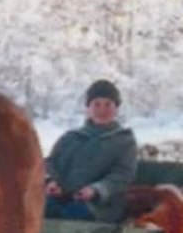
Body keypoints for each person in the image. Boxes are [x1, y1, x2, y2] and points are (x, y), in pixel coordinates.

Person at [44, 79, 138, 222]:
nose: (102, 110)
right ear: (88, 108)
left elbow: (123, 175)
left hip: (101, 205)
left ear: (116, 108)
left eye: (108, 104)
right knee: (40, 209)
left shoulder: (124, 141)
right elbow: (51, 164)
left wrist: (96, 190)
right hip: (63, 197)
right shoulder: (71, 138)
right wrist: (51, 182)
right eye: (97, 104)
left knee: (74, 213)